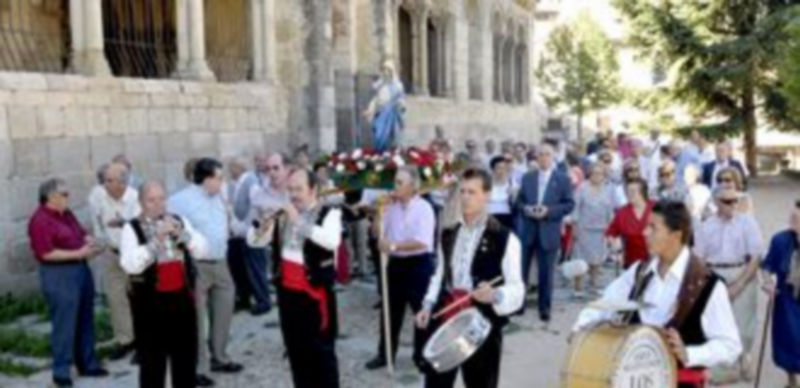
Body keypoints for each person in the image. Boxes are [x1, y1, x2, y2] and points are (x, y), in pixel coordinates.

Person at [574, 201, 742, 388]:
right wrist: (581, 330)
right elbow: (604, 304)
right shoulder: (639, 272)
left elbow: (731, 346)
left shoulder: (708, 285)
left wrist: (690, 353)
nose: (645, 233)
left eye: (653, 228)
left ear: (676, 235)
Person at [415, 168, 524, 388]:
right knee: (436, 382)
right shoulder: (448, 233)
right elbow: (439, 275)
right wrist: (427, 305)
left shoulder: (505, 238)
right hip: (446, 316)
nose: (465, 197)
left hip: (481, 325)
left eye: (472, 192)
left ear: (487, 195)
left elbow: (517, 287)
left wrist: (496, 294)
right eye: (462, 191)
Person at [247, 168, 342, 388]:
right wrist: (262, 226)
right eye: (290, 189)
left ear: (313, 190)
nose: (294, 194)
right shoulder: (283, 216)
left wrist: (298, 220)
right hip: (288, 295)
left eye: (299, 189)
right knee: (296, 352)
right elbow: (255, 243)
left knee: (322, 355)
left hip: (315, 295)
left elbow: (330, 241)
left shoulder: (330, 213)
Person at [120, 181, 207, 388]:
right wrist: (156, 241)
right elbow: (130, 265)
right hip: (150, 305)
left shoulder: (179, 220)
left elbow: (202, 250)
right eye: (151, 200)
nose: (158, 204)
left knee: (185, 361)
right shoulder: (131, 228)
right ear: (141, 202)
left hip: (182, 301)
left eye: (161, 199)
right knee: (152, 365)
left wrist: (182, 235)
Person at [168, 158, 243, 386]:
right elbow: (171, 225)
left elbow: (230, 223)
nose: (223, 181)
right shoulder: (179, 200)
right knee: (198, 320)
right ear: (206, 178)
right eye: (219, 177)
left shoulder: (221, 196)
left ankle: (219, 357)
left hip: (221, 262)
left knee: (224, 311)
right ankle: (197, 368)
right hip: (196, 265)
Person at [28, 178, 108, 387]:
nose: (68, 197)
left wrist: (89, 241)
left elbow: (80, 233)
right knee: (64, 324)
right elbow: (45, 253)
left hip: (80, 269)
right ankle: (61, 371)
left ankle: (87, 363)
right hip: (59, 275)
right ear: (51, 197)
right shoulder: (40, 220)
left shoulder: (67, 214)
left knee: (85, 318)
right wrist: (77, 252)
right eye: (64, 194)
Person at [365, 166, 436, 370]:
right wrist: (380, 212)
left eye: (399, 182)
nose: (394, 187)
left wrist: (393, 246)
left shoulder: (424, 208)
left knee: (421, 312)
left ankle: (421, 355)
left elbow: (422, 241)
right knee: (389, 311)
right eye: (394, 182)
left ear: (412, 186)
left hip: (418, 264)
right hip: (395, 264)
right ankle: (385, 354)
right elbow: (376, 233)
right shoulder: (391, 206)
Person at [693, 188, 764, 383]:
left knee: (744, 326)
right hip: (715, 274)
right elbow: (699, 258)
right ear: (716, 202)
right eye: (727, 201)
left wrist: (739, 285)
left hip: (742, 271)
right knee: (718, 325)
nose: (733, 204)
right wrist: (711, 283)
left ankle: (743, 356)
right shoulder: (705, 226)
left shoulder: (747, 222)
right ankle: (726, 371)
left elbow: (756, 256)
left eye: (735, 200)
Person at [514, 142, 575, 322]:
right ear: (536, 157)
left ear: (553, 157)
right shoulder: (527, 177)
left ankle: (544, 308)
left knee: (546, 273)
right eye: (540, 154)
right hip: (528, 230)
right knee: (521, 271)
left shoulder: (563, 179)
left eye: (547, 154)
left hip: (549, 231)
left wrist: (549, 211)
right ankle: (519, 305)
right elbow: (518, 202)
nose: (544, 158)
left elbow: (569, 204)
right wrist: (527, 209)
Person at [88, 163, 141, 361]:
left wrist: (124, 223)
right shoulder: (97, 195)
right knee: (116, 298)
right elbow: (97, 222)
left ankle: (144, 342)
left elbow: (142, 226)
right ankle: (125, 340)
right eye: (105, 180)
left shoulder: (135, 198)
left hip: (135, 253)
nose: (106, 184)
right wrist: (100, 242)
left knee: (139, 298)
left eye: (110, 180)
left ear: (123, 182)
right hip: (112, 252)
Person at [245, 152, 291, 315]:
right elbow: (253, 229)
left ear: (287, 169)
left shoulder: (297, 189)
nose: (271, 173)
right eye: (268, 169)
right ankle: (265, 299)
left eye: (276, 168)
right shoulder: (258, 193)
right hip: (271, 247)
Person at [761, 200, 800, 388]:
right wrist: (767, 282)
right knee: (787, 341)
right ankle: (792, 380)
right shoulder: (780, 240)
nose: (794, 221)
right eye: (793, 217)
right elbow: (767, 266)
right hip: (786, 299)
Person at [573, 163, 615, 290]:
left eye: (600, 173)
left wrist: (611, 228)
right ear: (589, 174)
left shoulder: (607, 189)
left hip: (601, 228)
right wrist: (574, 225)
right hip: (584, 228)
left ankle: (594, 283)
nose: (597, 176)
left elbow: (610, 209)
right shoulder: (582, 188)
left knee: (597, 258)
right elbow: (576, 207)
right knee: (580, 258)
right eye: (595, 173)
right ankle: (578, 287)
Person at [226, 156, 257, 311]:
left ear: (239, 168)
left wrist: (244, 228)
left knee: (248, 267)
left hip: (245, 231)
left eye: (232, 167)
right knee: (237, 267)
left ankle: (252, 297)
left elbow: (253, 208)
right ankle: (242, 297)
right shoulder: (232, 184)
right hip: (234, 233)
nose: (230, 170)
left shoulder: (250, 181)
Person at [606, 178, 653, 269]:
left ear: (642, 192)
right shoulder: (623, 213)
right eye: (627, 191)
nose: (629, 194)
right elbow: (611, 233)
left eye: (633, 191)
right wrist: (614, 245)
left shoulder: (655, 208)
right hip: (632, 261)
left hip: (655, 258)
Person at [363, 60, 406, 151]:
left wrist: (401, 105)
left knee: (391, 136)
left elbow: (401, 99)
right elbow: (375, 100)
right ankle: (380, 154)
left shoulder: (398, 86)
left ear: (391, 72)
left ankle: (389, 153)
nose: (385, 72)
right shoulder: (380, 85)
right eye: (384, 70)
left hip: (391, 114)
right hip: (380, 114)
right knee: (378, 135)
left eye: (387, 70)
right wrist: (370, 110)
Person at [488, 156, 515, 229]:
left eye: (504, 168)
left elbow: (516, 203)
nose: (502, 170)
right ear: (493, 169)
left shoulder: (511, 183)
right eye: (499, 168)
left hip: (507, 217)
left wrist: (513, 195)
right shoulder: (486, 184)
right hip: (490, 217)